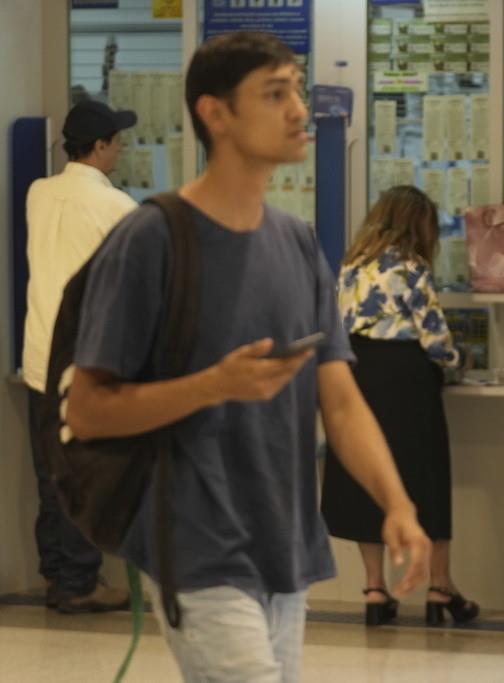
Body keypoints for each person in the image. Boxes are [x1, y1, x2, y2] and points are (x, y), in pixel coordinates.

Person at [64, 32, 431, 682]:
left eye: (296, 88)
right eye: (274, 93)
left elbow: (341, 403)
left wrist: (397, 503)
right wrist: (211, 385)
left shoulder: (296, 244)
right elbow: (90, 409)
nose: (297, 109)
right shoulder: (153, 238)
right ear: (215, 113)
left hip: (284, 541)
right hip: (191, 538)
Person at [321, 185, 480, 627]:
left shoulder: (349, 268)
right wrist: (458, 364)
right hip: (406, 379)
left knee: (365, 480)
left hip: (356, 374)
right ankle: (439, 587)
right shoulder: (412, 268)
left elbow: (334, 325)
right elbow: (435, 340)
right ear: (418, 225)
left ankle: (375, 590)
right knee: (426, 481)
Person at [22, 99, 137, 613]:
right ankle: (80, 584)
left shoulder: (38, 194)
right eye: (116, 140)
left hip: (39, 357)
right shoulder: (117, 208)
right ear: (98, 147)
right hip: (85, 363)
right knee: (83, 472)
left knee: (50, 471)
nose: (121, 149)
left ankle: (59, 576)